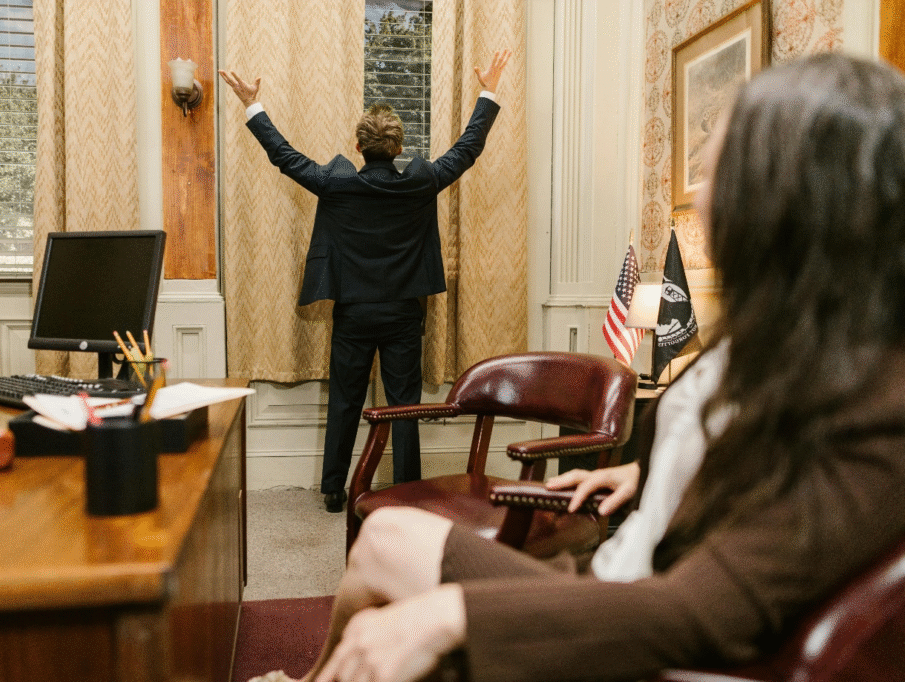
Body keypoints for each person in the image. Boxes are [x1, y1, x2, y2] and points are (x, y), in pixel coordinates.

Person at [247, 52, 905, 682]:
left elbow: (710, 610)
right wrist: (648, 471)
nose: (699, 199)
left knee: (350, 423)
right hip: (611, 559)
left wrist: (454, 616)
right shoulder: (783, 345)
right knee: (386, 529)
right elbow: (463, 154)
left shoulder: (876, 413)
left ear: (800, 204)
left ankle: (334, 498)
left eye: (721, 172)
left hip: (633, 618)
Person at [221, 51, 511, 513]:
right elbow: (468, 148)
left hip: (353, 315)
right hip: (402, 317)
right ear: (398, 148)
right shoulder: (421, 182)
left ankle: (335, 490)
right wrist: (488, 90)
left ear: (359, 147)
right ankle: (408, 494)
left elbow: (284, 157)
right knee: (404, 409)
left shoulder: (335, 183)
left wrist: (251, 105)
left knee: (344, 402)